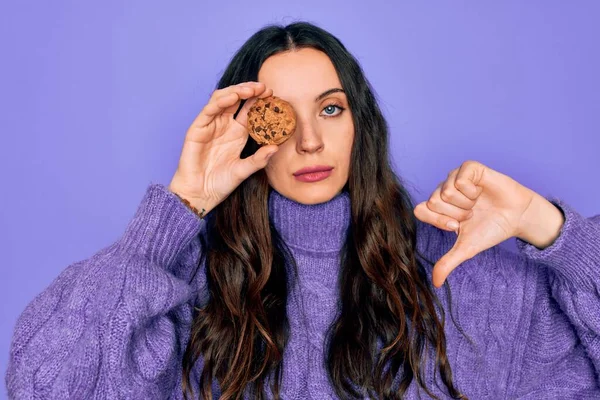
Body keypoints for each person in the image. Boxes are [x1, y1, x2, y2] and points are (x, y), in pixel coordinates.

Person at [5, 21, 600, 400]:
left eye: (331, 109)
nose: (308, 142)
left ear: (359, 123)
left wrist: (551, 230)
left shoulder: (468, 268)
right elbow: (43, 388)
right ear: (248, 132)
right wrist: (175, 214)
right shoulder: (185, 287)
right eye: (282, 117)